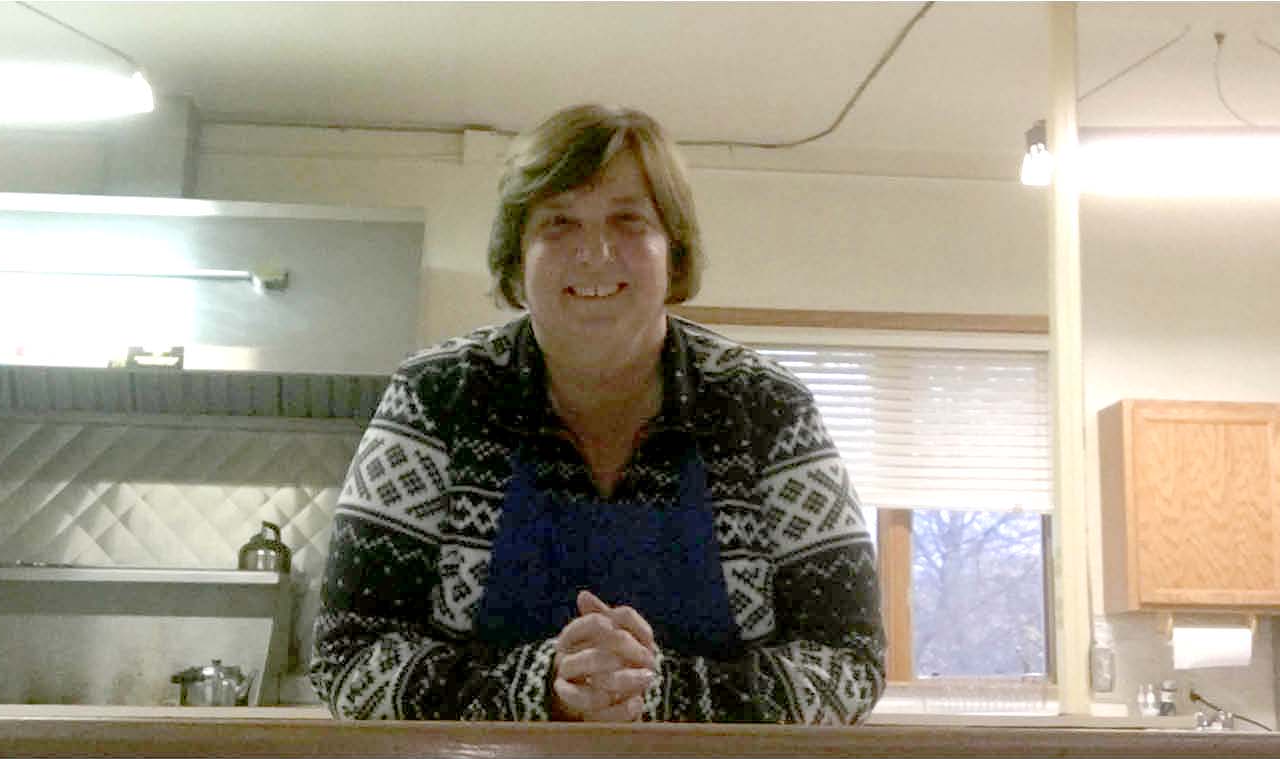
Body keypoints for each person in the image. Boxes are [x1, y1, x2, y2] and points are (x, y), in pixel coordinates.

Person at [311, 103, 885, 723]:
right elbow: (349, 656)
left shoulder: (767, 408)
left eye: (628, 220)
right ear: (516, 256)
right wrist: (546, 687)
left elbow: (849, 661)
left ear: (674, 251)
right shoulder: (437, 398)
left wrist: (653, 692)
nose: (594, 253)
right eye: (558, 223)